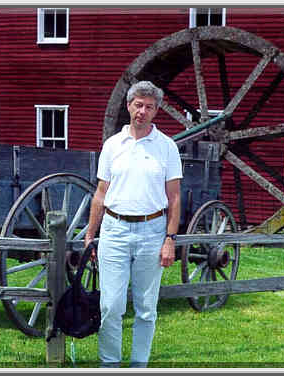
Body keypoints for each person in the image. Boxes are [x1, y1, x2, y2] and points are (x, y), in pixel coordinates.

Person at [84, 81, 182, 368]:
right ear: (129, 106)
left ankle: (139, 365)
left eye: (149, 107)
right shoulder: (113, 145)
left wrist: (169, 239)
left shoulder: (166, 147)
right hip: (114, 232)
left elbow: (174, 198)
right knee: (110, 306)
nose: (142, 111)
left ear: (156, 111)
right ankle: (110, 365)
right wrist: (91, 234)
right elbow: (101, 194)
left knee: (146, 309)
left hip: (152, 232)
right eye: (138, 104)